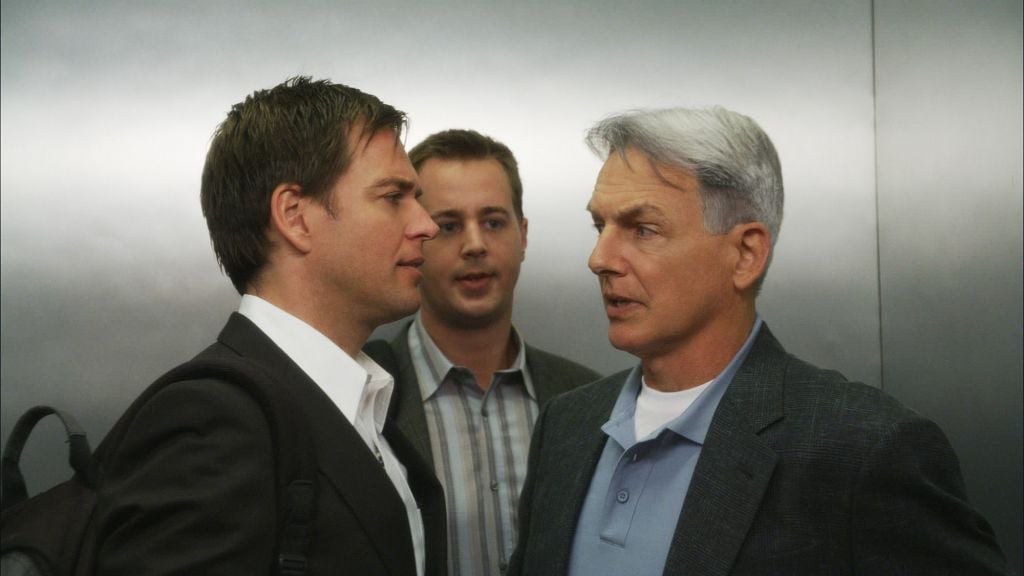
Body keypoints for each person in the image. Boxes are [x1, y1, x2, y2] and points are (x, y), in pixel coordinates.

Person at [508, 107, 1010, 575]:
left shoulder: (862, 449)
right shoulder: (567, 424)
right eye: (600, 226)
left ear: (746, 254)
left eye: (642, 229)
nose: (600, 258)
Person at [91, 77, 446, 575]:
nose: (426, 224)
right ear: (295, 217)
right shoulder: (213, 421)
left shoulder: (363, 407)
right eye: (393, 196)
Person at [365, 129, 599, 576]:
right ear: (415, 237)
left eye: (493, 221)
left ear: (523, 235)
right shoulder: (366, 396)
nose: (475, 244)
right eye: (449, 226)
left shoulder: (587, 398)